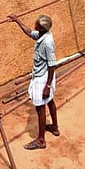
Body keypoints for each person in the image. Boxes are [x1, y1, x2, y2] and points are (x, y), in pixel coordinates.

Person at [7, 14, 59, 151]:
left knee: (40, 106)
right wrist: (17, 20)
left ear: (41, 28)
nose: (34, 25)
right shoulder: (43, 34)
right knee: (50, 101)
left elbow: (52, 65)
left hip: (43, 77)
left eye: (36, 24)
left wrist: (47, 86)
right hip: (43, 75)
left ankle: (41, 140)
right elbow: (30, 32)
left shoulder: (47, 43)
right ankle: (54, 127)